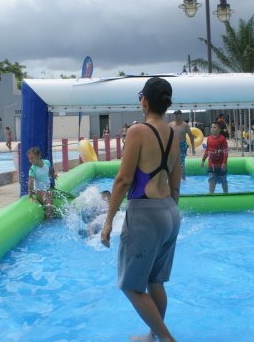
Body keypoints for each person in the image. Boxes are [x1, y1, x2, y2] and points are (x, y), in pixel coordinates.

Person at [100, 77, 181, 342]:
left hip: (146, 213)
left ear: (144, 101)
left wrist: (108, 220)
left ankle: (166, 338)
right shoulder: (173, 133)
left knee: (130, 285)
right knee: (155, 282)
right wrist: (168, 218)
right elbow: (175, 184)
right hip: (170, 212)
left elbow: (123, 180)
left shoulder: (137, 131)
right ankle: (152, 336)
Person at [27, 147, 54, 220]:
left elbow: (50, 169)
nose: (31, 160)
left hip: (47, 188)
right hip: (39, 190)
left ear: (39, 156)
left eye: (32, 158)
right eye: (29, 159)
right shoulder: (33, 169)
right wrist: (30, 197)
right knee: (49, 203)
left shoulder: (46, 162)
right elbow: (30, 183)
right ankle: (48, 221)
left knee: (50, 198)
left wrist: (53, 174)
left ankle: (49, 218)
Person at [201, 123, 229, 194]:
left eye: (215, 127)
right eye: (212, 127)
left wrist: (224, 163)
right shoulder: (209, 138)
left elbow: (225, 152)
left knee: (223, 180)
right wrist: (203, 160)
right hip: (212, 165)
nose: (212, 129)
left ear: (219, 129)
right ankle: (211, 195)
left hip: (221, 165)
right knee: (211, 180)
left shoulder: (222, 139)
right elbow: (207, 150)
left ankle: (226, 194)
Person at [169, 110, 195, 180]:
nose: (175, 116)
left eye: (177, 114)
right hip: (173, 146)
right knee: (172, 163)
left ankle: (183, 179)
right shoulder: (170, 125)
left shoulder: (185, 125)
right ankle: (173, 178)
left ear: (180, 115)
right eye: (175, 114)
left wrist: (193, 148)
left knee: (181, 163)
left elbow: (191, 136)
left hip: (182, 146)